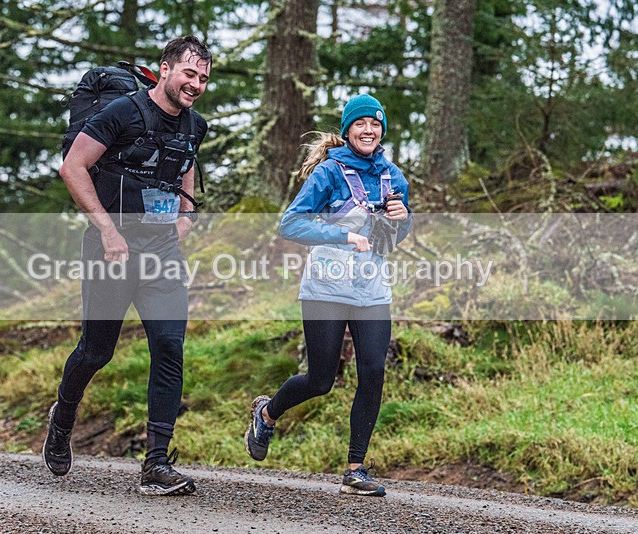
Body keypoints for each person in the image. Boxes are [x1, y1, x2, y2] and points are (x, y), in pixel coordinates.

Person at [42, 36, 211, 496]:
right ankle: (62, 418)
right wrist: (108, 231)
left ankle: (156, 464)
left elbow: (186, 170)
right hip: (110, 250)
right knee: (96, 352)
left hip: (162, 252)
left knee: (169, 346)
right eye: (189, 73)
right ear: (165, 69)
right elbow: (73, 167)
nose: (195, 84)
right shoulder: (122, 112)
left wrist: (186, 218)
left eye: (202, 78)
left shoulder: (195, 125)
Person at [244, 94, 412, 496]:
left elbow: (393, 237)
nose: (368, 130)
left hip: (372, 289)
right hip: (326, 287)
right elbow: (290, 224)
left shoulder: (394, 177)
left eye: (375, 124)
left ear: (382, 130)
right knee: (321, 380)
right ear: (348, 130)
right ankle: (266, 414)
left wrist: (404, 220)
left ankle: (356, 469)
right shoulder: (329, 172)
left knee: (373, 371)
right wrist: (341, 235)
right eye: (360, 124)